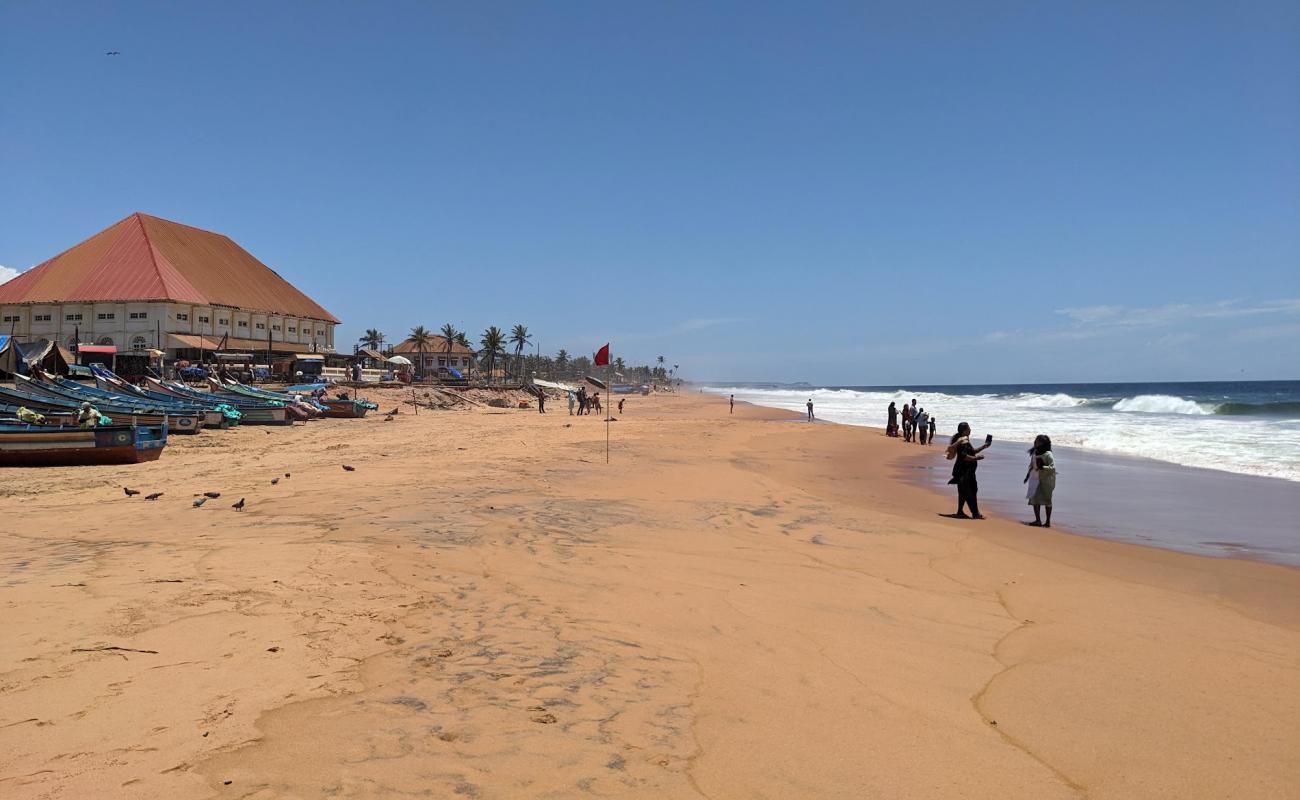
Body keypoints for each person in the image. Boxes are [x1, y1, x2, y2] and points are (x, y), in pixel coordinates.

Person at [947, 422, 991, 519]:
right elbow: (964, 456)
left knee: (964, 493)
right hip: (964, 472)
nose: (970, 430)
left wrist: (984, 446)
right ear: (964, 431)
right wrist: (976, 458)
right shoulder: (962, 442)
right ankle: (975, 514)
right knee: (969, 493)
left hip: (965, 471)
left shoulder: (963, 440)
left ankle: (960, 512)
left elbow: (972, 451)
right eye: (969, 428)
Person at [1024, 435, 1057, 527]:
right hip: (1034, 478)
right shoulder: (1035, 452)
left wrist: (1043, 467)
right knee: (1034, 499)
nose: (1034, 442)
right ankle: (1038, 520)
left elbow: (1053, 468)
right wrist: (1027, 476)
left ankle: (1047, 522)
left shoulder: (1048, 454)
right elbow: (1031, 465)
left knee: (1047, 500)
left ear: (1042, 443)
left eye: (1037, 441)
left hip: (1046, 480)